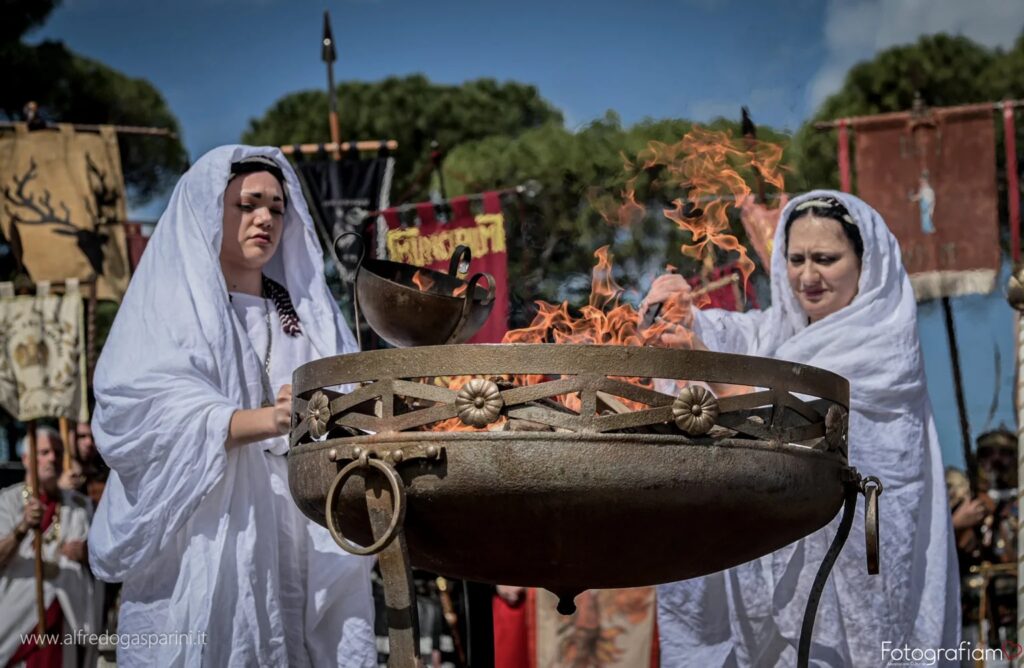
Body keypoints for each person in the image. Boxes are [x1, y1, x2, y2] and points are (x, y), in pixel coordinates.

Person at [642, 191, 959, 666]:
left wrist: (710, 375)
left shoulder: (885, 348)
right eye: (796, 259)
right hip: (772, 573)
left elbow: (799, 428)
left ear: (865, 263)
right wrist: (680, 316)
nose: (807, 277)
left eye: (826, 259)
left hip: (855, 569)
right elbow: (731, 339)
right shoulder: (777, 335)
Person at [87, 146, 376, 666]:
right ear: (209, 209)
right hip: (205, 525)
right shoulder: (171, 310)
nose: (265, 217)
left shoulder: (307, 317)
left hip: (297, 525)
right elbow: (133, 411)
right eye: (248, 204)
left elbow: (351, 399)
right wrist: (269, 420)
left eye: (277, 207)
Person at [0, 425, 97, 666]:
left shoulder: (80, 505)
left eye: (57, 452)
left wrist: (88, 553)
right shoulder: (7, 501)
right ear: (26, 458)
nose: (52, 458)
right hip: (19, 622)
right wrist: (22, 528)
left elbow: (103, 560)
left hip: (67, 621)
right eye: (43, 452)